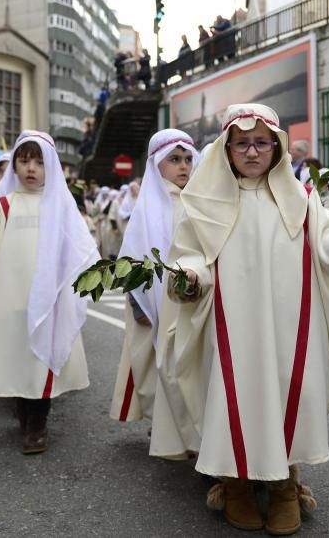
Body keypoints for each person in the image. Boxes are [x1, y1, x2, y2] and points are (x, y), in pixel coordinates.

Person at [163, 103, 329, 534]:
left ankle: (283, 487)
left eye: (261, 142)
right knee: (234, 393)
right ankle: (235, 484)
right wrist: (189, 279)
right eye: (242, 143)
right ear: (227, 149)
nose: (252, 152)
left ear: (276, 147)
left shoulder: (302, 198)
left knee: (286, 389)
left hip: (288, 326)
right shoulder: (202, 202)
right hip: (229, 326)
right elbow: (190, 258)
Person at [0, 131, 99, 454]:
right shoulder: (1, 204)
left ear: (51, 167)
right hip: (10, 296)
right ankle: (25, 412)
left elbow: (79, 250)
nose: (31, 168)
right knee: (17, 355)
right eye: (24, 160)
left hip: (48, 298)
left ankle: (37, 425)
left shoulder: (60, 207)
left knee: (42, 357)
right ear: (14, 164)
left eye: (39, 162)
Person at [109, 131, 199, 444]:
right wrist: (138, 304)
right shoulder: (146, 208)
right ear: (157, 164)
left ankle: (186, 429)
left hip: (190, 300)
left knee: (187, 365)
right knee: (155, 366)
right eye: (174, 160)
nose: (183, 166)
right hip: (152, 300)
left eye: (188, 159)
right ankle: (166, 423)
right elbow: (131, 259)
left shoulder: (199, 203)